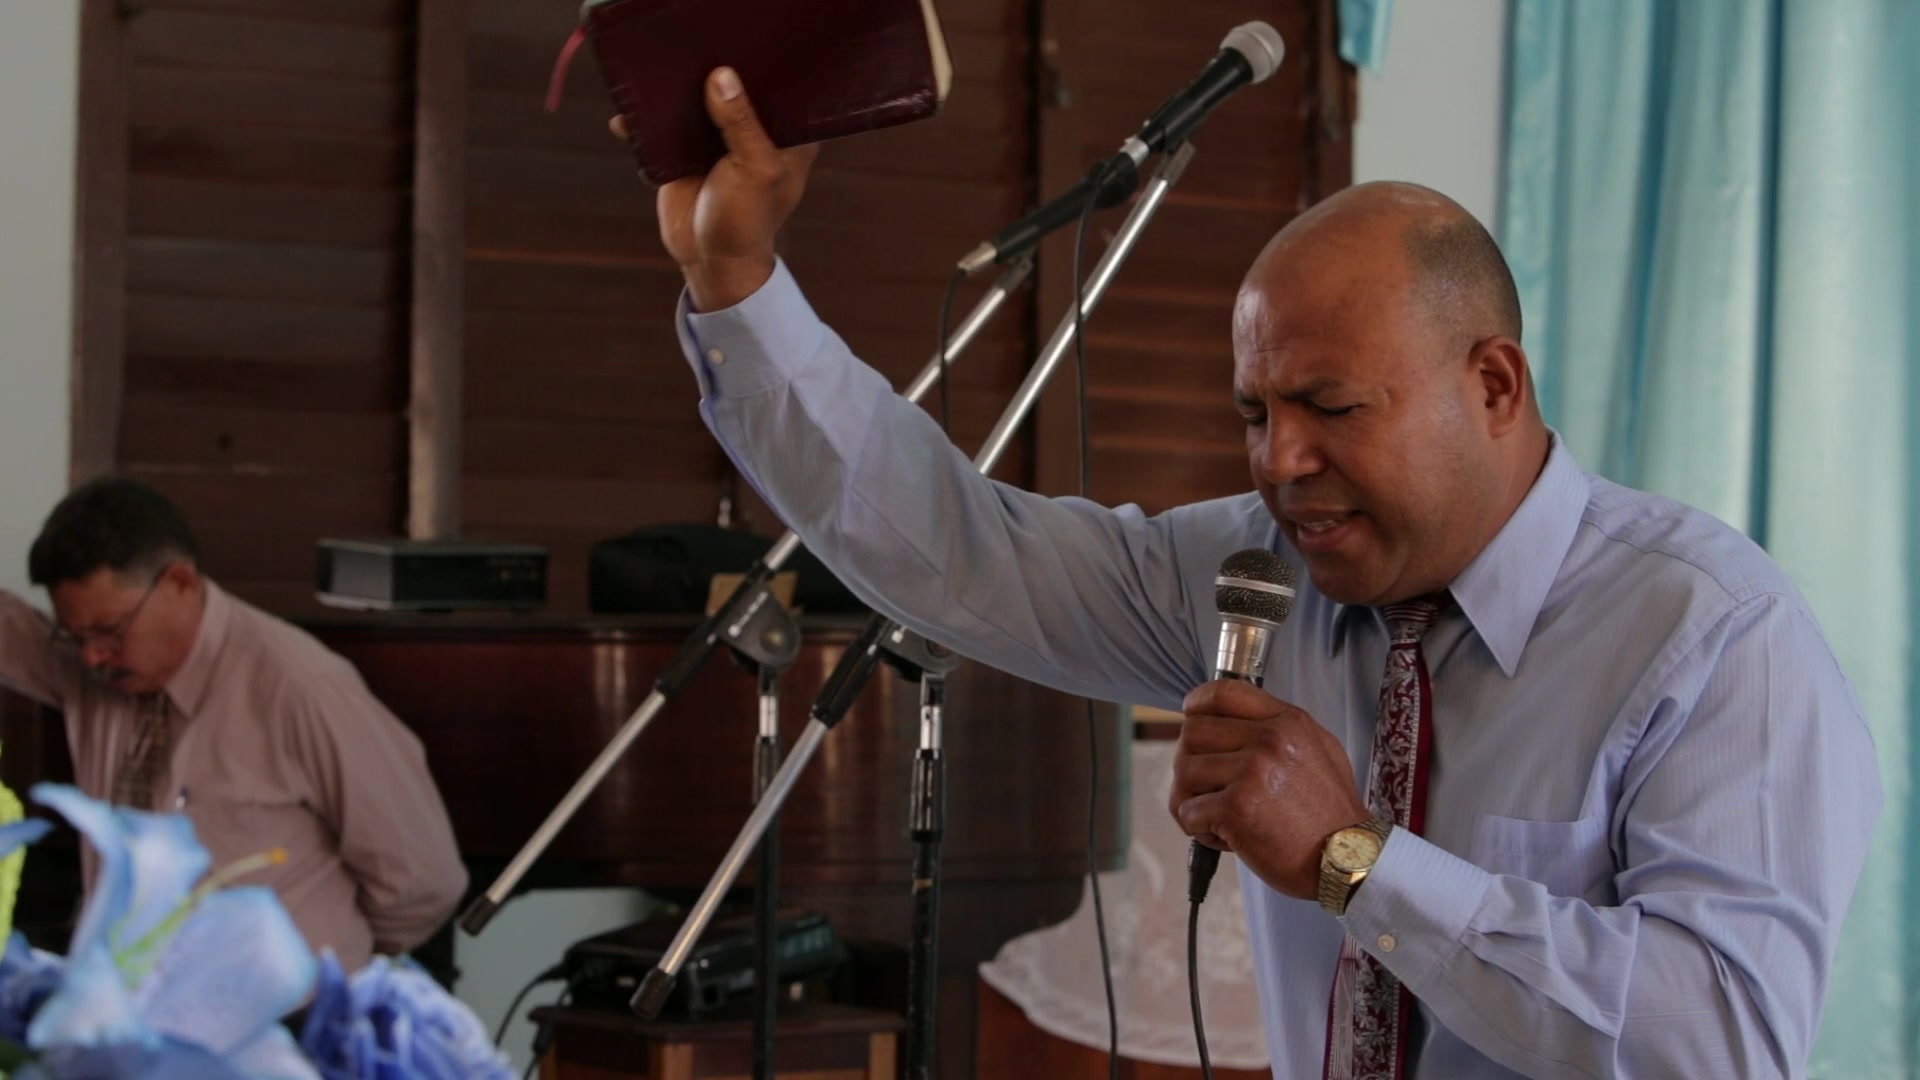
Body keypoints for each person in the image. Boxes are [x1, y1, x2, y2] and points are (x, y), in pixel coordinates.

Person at [647, 68, 1881, 1078]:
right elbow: (958, 550)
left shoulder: (1713, 637)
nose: (1282, 462)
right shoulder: (1248, 575)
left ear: (1494, 388)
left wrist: (1355, 858)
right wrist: (736, 281)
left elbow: (1721, 1040)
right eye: (1255, 410)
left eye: (1332, 406)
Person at [0, 477, 468, 974]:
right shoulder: (96, 671)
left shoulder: (299, 687)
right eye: (77, 638)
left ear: (180, 583)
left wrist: (327, 956)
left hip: (281, 1022)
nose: (93, 657)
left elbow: (423, 879)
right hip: (132, 1018)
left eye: (109, 632)